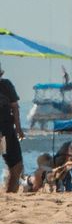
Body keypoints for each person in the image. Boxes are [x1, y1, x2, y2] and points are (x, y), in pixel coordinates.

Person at [0, 62, 23, 193]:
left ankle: (9, 196)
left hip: (6, 131)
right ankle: (9, 196)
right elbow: (15, 108)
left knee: (16, 166)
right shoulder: (6, 85)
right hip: (5, 131)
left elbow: (15, 107)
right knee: (15, 166)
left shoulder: (6, 85)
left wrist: (18, 129)